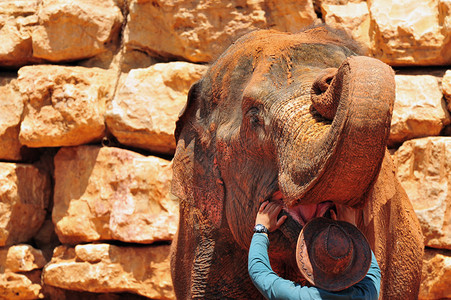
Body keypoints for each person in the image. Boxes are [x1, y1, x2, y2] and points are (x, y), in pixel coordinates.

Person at [248, 201, 381, 300]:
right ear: (353, 268)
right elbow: (373, 270)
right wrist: (351, 228)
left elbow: (259, 272)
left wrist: (261, 228)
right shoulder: (368, 294)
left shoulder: (302, 297)